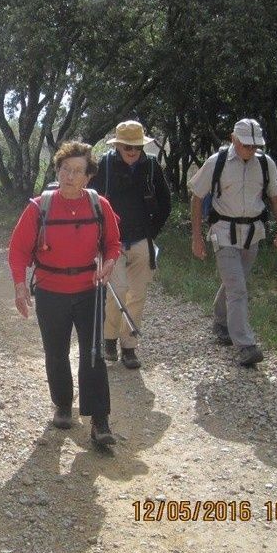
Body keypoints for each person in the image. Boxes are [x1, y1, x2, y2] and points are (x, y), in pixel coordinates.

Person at [9, 141, 121, 446]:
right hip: (50, 291)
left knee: (94, 354)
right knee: (56, 353)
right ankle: (62, 404)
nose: (70, 176)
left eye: (77, 171)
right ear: (57, 170)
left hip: (90, 290)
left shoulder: (100, 206)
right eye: (65, 169)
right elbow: (18, 251)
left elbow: (112, 243)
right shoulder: (38, 207)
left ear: (88, 177)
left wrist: (109, 263)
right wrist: (20, 287)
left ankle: (99, 422)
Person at [189, 118, 277, 367]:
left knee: (236, 282)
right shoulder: (217, 162)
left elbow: (276, 198)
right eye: (246, 145)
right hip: (222, 232)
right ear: (233, 139)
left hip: (252, 234)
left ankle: (221, 322)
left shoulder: (266, 164)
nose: (250, 150)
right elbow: (196, 197)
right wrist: (197, 237)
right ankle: (245, 345)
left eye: (255, 146)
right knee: (237, 288)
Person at [88, 120, 171, 369]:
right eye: (127, 147)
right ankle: (109, 339)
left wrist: (150, 233)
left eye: (136, 147)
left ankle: (129, 347)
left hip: (142, 241)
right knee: (119, 290)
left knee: (138, 294)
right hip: (112, 243)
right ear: (118, 146)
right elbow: (92, 202)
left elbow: (165, 204)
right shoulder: (105, 166)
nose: (132, 152)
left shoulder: (152, 166)